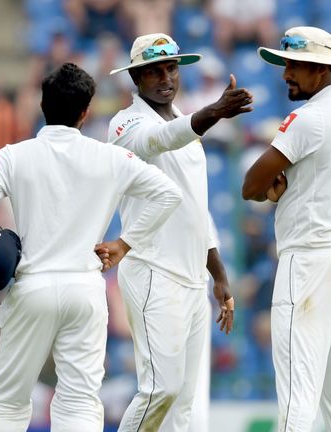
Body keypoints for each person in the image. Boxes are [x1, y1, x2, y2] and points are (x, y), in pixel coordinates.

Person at [0, 63, 183, 432]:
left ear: (42, 105)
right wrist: (124, 244)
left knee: (6, 401)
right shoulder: (110, 157)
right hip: (85, 290)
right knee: (80, 402)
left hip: (31, 287)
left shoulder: (12, 156)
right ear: (85, 112)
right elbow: (169, 194)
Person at [106, 32, 251, 430]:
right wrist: (216, 111)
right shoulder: (126, 124)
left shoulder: (185, 125)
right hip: (153, 271)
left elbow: (195, 208)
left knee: (184, 409)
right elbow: (159, 140)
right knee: (160, 390)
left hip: (191, 283)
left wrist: (218, 275)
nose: (166, 78)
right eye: (154, 72)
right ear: (136, 79)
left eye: (171, 68)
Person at [241, 26, 331, 431]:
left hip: (310, 263)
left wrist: (274, 189)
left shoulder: (307, 118)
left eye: (295, 66)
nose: (286, 74)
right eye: (286, 65)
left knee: (299, 391)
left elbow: (250, 186)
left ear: (320, 70)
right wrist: (284, 187)